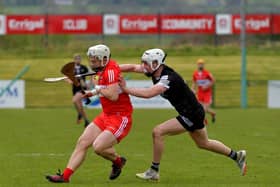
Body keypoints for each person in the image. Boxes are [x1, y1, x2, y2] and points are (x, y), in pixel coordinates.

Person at [119, 48, 247, 181]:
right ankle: (237, 156)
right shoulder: (154, 69)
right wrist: (111, 68)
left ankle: (154, 171)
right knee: (203, 143)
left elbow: (148, 94)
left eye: (146, 63)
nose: (143, 66)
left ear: (156, 63)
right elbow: (133, 67)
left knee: (158, 132)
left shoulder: (168, 78)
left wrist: (125, 89)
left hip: (191, 114)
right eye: (143, 63)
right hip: (194, 112)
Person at [46, 44, 133, 183]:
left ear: (103, 59)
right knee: (82, 142)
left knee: (98, 147)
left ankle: (117, 162)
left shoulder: (110, 71)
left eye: (94, 60)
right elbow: (102, 88)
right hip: (106, 116)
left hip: (120, 118)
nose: (91, 63)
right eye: (90, 60)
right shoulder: (101, 70)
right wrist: (91, 93)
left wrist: (97, 89)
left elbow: (112, 95)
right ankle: (65, 176)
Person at [65, 53, 90, 127]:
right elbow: (66, 76)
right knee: (80, 106)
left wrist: (90, 83)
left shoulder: (84, 68)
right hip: (74, 89)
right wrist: (69, 81)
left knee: (74, 100)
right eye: (76, 59)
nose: (78, 60)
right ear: (74, 60)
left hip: (82, 89)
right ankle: (86, 121)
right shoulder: (72, 68)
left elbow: (93, 75)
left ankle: (80, 114)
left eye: (79, 59)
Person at [191, 58, 216, 124]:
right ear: (197, 65)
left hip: (207, 93)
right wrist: (192, 89)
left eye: (202, 64)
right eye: (199, 64)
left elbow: (213, 80)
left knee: (204, 109)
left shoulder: (207, 73)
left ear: (203, 65)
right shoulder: (195, 74)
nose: (200, 65)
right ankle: (213, 113)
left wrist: (207, 86)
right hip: (200, 93)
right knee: (202, 108)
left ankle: (204, 122)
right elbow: (194, 82)